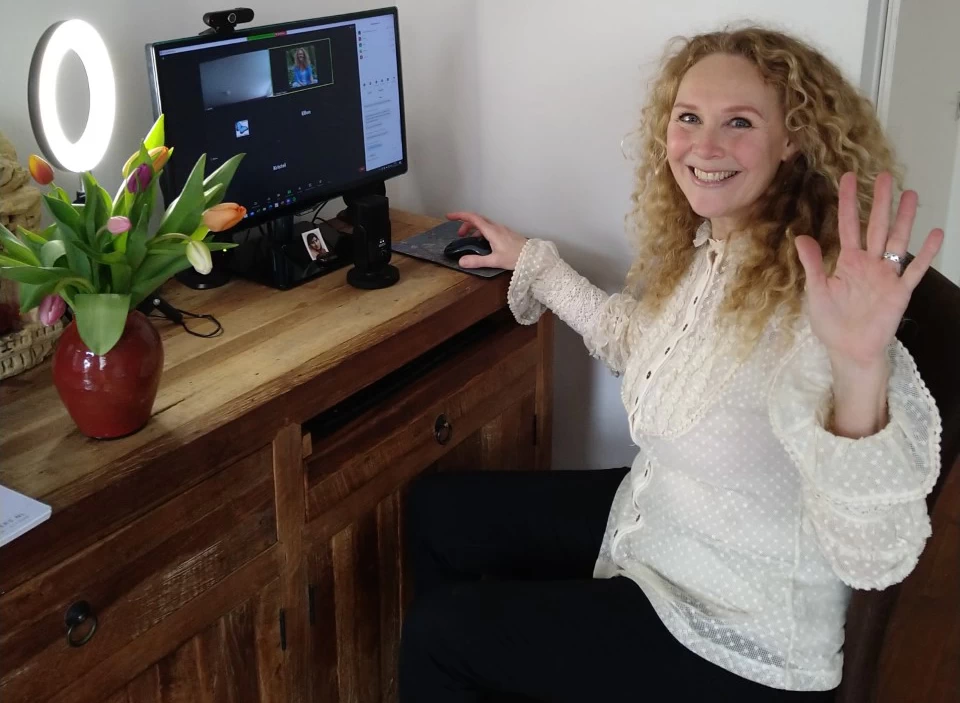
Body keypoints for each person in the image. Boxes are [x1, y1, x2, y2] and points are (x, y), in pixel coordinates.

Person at [398, 25, 943, 702]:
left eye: (739, 122)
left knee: (439, 637)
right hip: (656, 526)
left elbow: (876, 556)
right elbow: (642, 347)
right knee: (439, 512)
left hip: (735, 633)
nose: (704, 146)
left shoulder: (821, 300)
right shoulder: (720, 248)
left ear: (793, 139)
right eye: (689, 118)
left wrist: (860, 367)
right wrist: (534, 263)